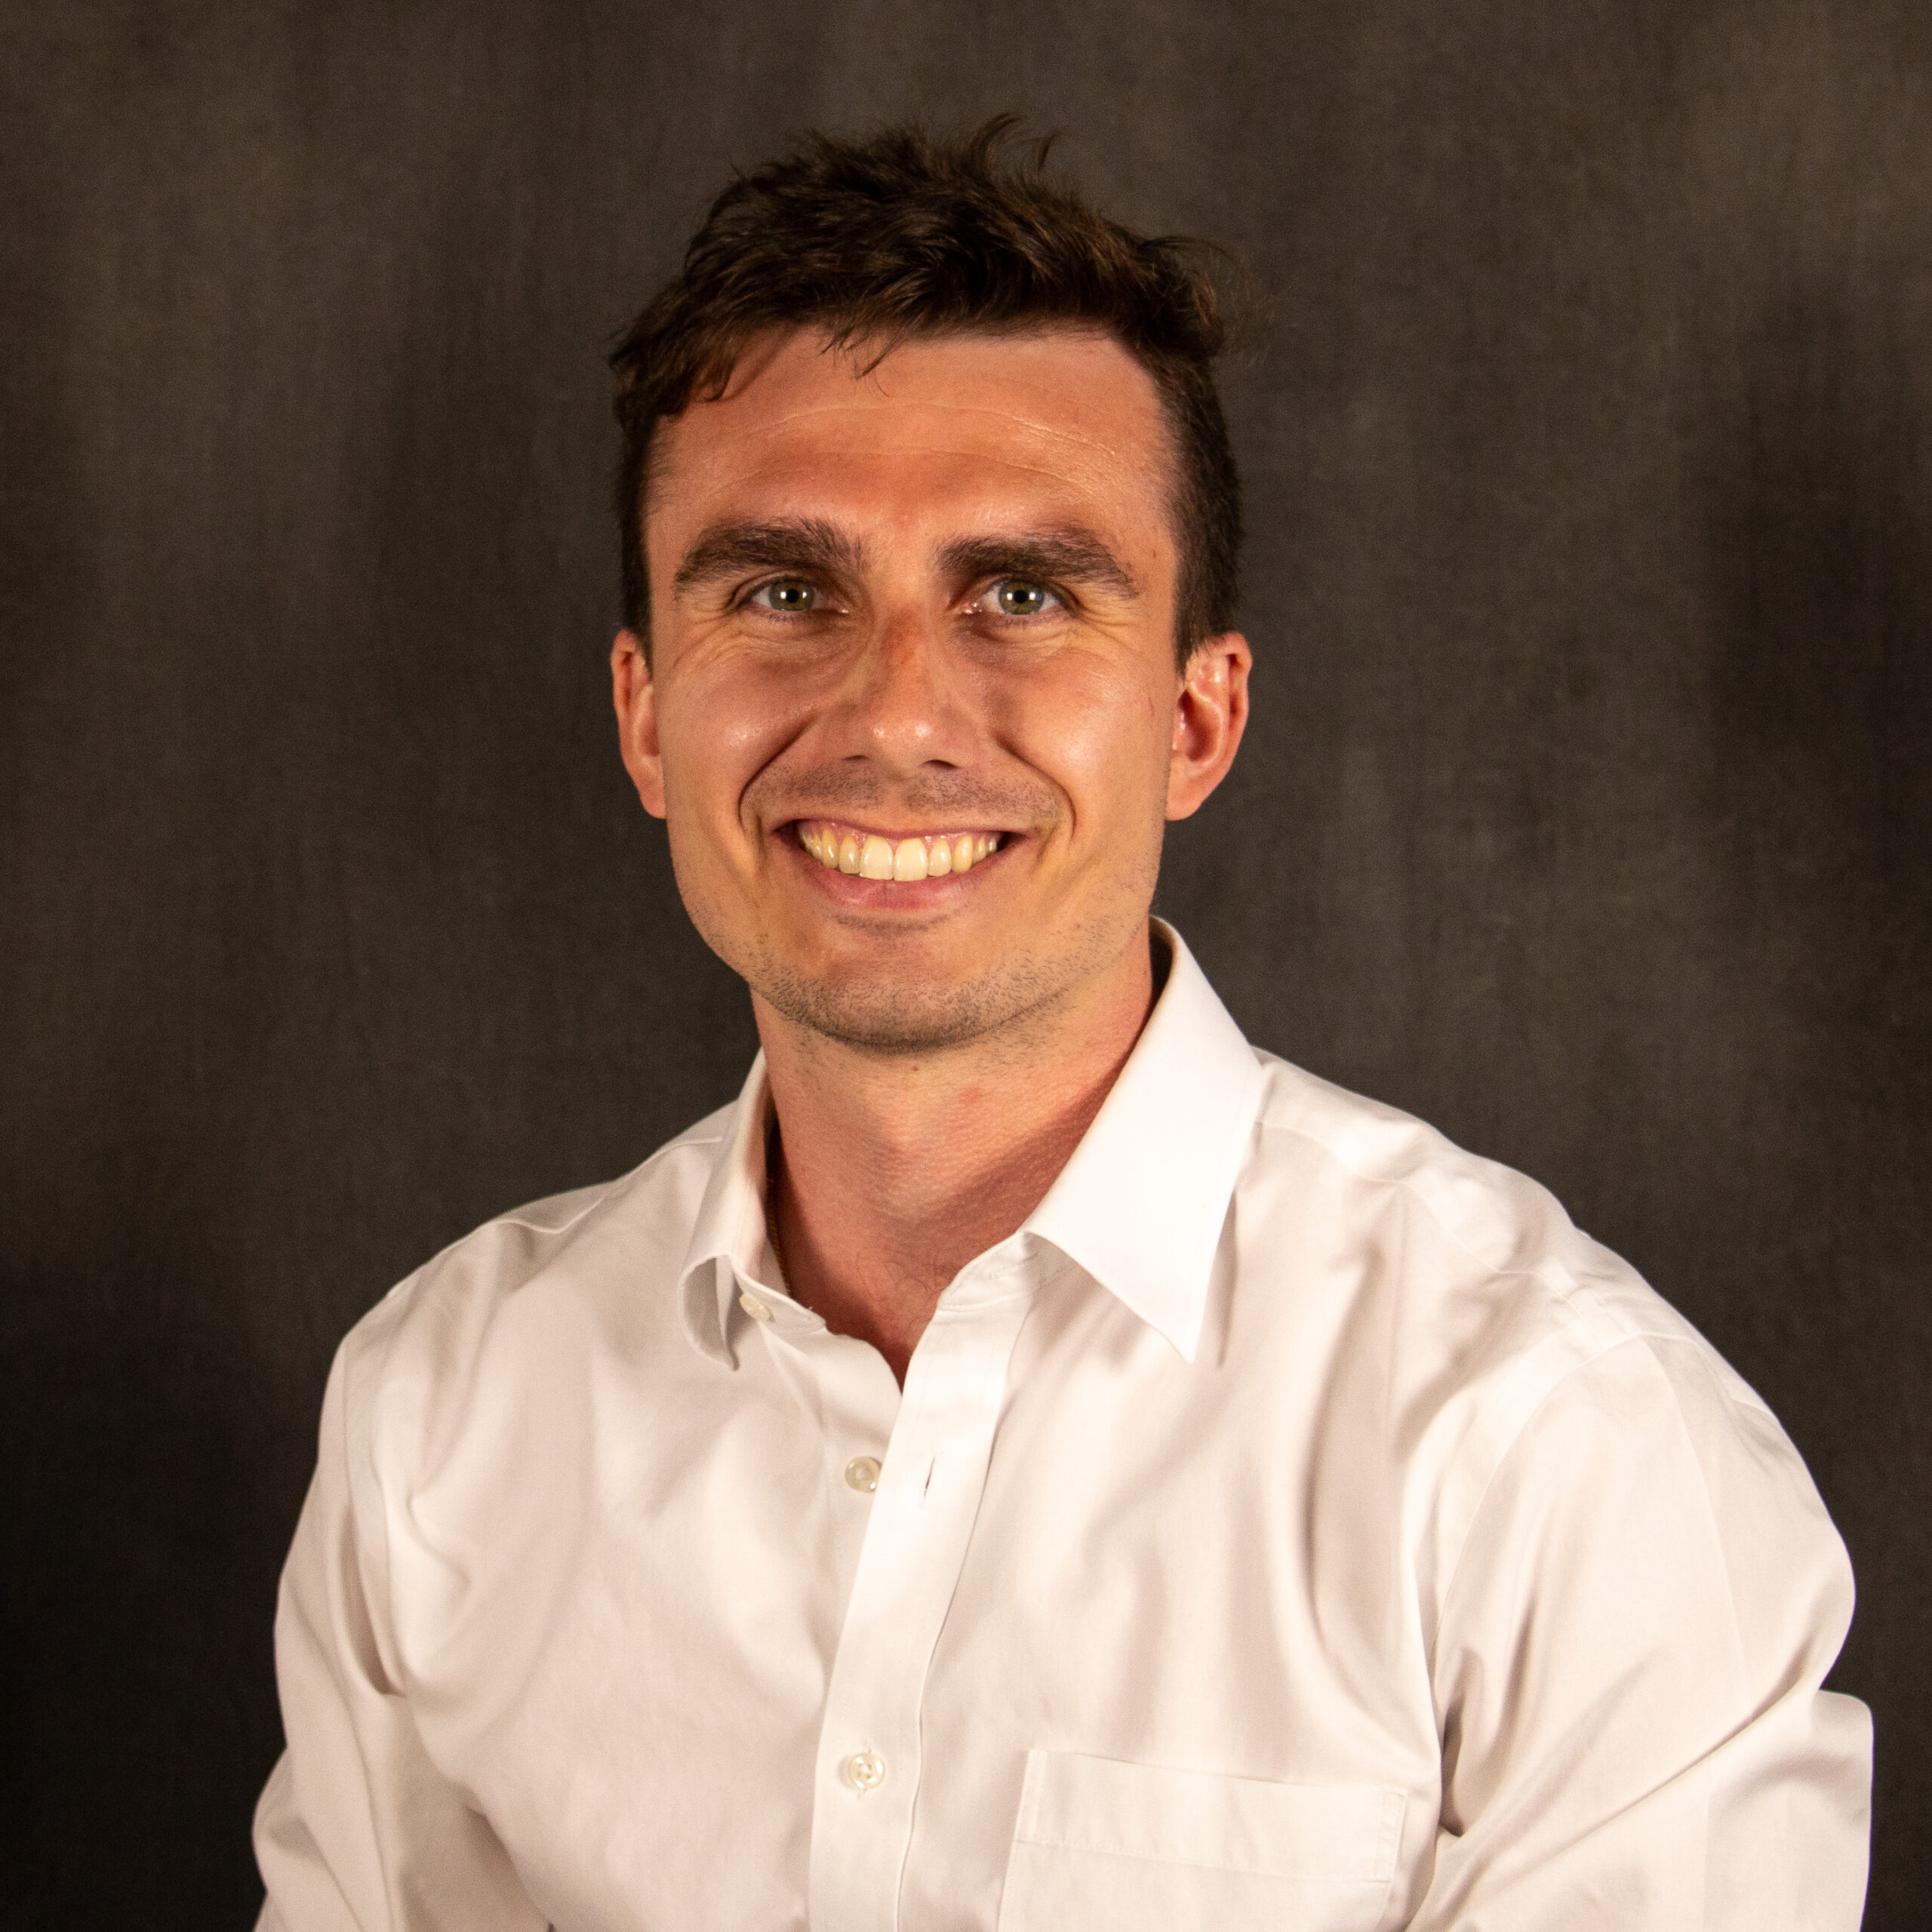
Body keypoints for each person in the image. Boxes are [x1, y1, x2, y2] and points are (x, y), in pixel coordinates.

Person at [252, 122, 1871, 1931]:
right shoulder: (442, 1413)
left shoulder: (1559, 1449)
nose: (896, 715)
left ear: (1194, 721)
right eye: (782, 591)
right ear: (645, 714)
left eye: (1021, 595)